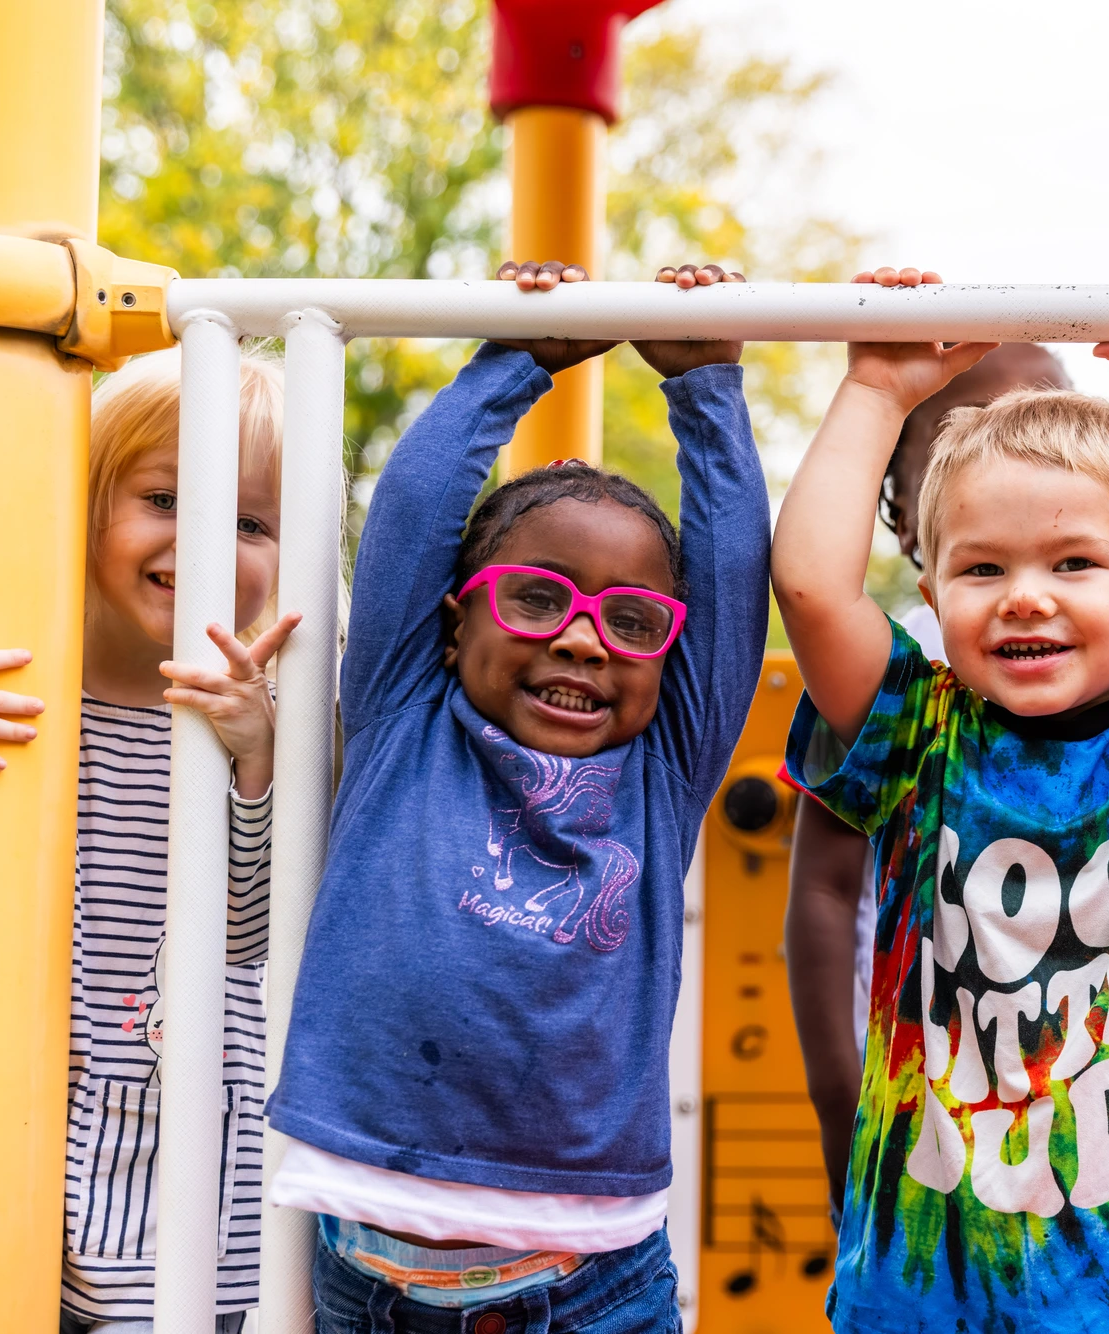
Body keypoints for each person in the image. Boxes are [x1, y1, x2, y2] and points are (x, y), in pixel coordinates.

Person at [771, 263, 1109, 1333]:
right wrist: (874, 391)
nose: (1026, 595)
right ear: (931, 591)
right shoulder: (915, 735)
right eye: (982, 570)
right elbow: (810, 585)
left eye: (1074, 563)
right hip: (926, 1296)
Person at [261, 259, 769, 1334]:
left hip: (591, 1284)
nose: (583, 638)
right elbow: (412, 511)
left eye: (631, 621)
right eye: (537, 599)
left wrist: (708, 390)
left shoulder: (662, 771)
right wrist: (515, 358)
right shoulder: (404, 713)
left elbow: (731, 584)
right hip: (372, 1283)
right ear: (454, 624)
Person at [0, 347, 297, 1333]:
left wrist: (258, 760)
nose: (206, 540)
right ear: (82, 501)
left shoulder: (263, 725)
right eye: (164, 498)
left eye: (250, 522)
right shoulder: (4, 685)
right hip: (0, 1122)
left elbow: (253, 929)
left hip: (170, 1153)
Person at [781, 342, 1109, 1218]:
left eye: (1051, 423)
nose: (1014, 450)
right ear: (906, 517)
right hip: (932, 1117)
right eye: (970, 432)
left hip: (1100, 1121)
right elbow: (825, 894)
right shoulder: (892, 676)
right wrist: (838, 1107)